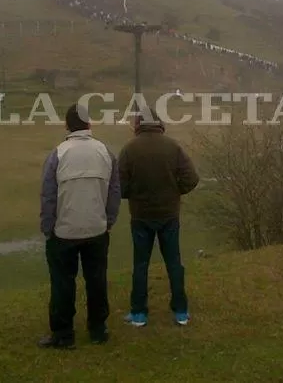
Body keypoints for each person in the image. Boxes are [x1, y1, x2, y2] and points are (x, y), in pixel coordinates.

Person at [38, 104, 121, 349]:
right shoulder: (106, 152)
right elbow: (114, 192)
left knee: (63, 282)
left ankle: (63, 334)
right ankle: (98, 329)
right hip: (97, 228)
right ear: (89, 124)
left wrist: (47, 227)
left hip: (64, 231)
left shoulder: (58, 154)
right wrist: (109, 221)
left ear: (67, 125)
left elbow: (48, 195)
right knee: (96, 280)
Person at [118, 109, 199, 327]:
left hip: (141, 216)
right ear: (159, 123)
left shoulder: (129, 149)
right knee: (174, 263)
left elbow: (119, 186)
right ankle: (181, 312)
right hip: (169, 215)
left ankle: (138, 314)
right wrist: (174, 192)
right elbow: (191, 178)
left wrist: (133, 194)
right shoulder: (173, 147)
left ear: (138, 125)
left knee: (141, 265)